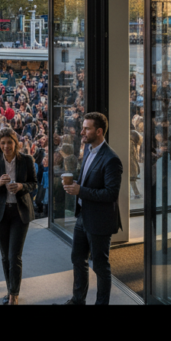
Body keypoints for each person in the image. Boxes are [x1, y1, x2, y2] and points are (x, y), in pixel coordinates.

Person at [59, 112, 123, 306]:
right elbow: (89, 181)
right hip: (82, 217)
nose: (82, 131)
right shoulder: (87, 150)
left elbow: (111, 194)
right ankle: (78, 300)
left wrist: (81, 190)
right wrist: (77, 185)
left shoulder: (112, 159)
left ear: (99, 131)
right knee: (78, 259)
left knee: (101, 267)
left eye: (86, 128)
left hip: (99, 221)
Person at [0, 127, 36, 305]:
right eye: (3, 143)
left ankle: (14, 295)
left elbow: (33, 183)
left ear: (16, 143)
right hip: (0, 212)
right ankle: (10, 289)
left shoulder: (27, 160)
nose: (6, 146)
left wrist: (22, 187)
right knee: (5, 256)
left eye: (9, 142)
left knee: (15, 256)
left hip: (19, 212)